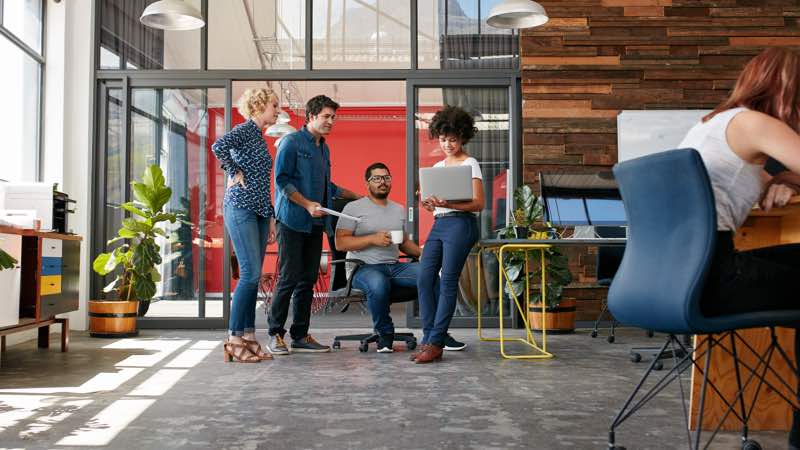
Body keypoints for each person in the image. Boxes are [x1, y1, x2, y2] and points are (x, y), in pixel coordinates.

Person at [675, 47, 800, 448]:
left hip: (682, 275)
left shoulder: (713, 125)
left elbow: (756, 177)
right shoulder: (755, 123)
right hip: (715, 278)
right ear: (788, 89)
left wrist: (783, 181)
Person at [335, 162, 467, 353]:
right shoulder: (353, 208)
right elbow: (341, 243)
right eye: (377, 178)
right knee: (378, 283)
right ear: (367, 183)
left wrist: (426, 255)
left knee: (428, 274)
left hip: (395, 267)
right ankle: (385, 334)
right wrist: (373, 239)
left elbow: (403, 243)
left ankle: (437, 335)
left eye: (387, 178)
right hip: (363, 267)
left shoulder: (398, 209)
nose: (383, 182)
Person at [267, 94, 361, 355]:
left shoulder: (324, 147)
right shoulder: (290, 142)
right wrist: (307, 203)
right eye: (326, 116)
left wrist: (355, 196)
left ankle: (300, 335)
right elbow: (282, 181)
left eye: (333, 117)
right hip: (292, 221)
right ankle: (275, 334)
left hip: (316, 224)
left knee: (308, 280)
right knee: (289, 278)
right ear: (310, 117)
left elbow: (326, 186)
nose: (331, 121)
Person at [212, 87, 280, 363]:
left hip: (261, 210)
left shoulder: (260, 138)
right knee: (250, 274)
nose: (277, 110)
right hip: (240, 207)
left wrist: (272, 217)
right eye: (274, 106)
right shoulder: (245, 130)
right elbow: (218, 146)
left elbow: (265, 183)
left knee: (253, 276)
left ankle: (249, 336)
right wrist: (233, 171)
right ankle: (233, 338)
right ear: (259, 106)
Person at [413, 106, 485, 364]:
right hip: (440, 222)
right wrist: (430, 204)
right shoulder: (437, 166)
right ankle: (429, 337)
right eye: (443, 139)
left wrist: (450, 203)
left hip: (462, 223)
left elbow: (479, 203)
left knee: (448, 280)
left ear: (463, 137)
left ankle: (435, 342)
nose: (447, 144)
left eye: (452, 139)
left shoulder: (470, 163)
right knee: (424, 276)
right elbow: (434, 206)